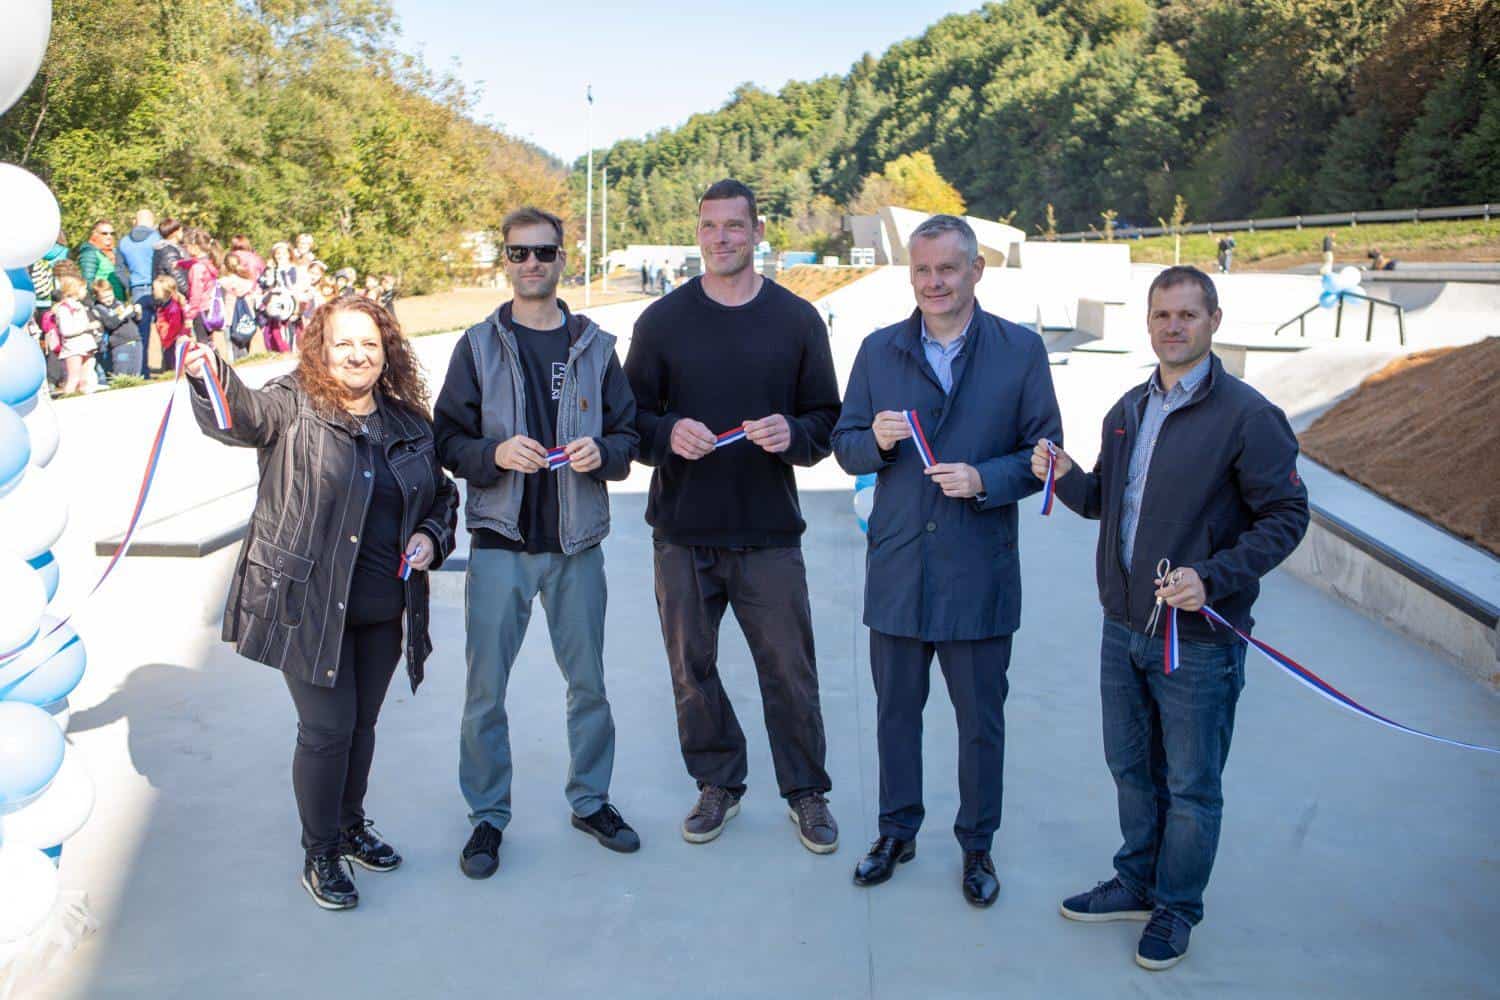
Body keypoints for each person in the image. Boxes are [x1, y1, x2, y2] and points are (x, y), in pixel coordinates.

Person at [1036, 265, 1309, 971]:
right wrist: (1065, 474)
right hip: (1123, 626)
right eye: (1162, 314)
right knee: (1130, 766)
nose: (1174, 326)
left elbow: (1287, 515)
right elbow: (1106, 501)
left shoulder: (1248, 417)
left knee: (1191, 784)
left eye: (1188, 314)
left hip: (1198, 639)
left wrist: (1212, 578)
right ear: (1149, 323)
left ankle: (1177, 906)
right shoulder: (1128, 408)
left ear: (1214, 320)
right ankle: (1137, 880)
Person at [182, 296, 459, 912]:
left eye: (370, 344)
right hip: (306, 607)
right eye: (344, 343)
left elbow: (442, 497)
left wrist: (430, 535)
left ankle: (351, 826)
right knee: (327, 731)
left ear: (387, 352)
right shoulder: (292, 405)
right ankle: (322, 850)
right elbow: (241, 416)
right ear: (320, 350)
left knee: (361, 726)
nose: (357, 355)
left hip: (384, 609)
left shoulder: (409, 423)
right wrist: (210, 375)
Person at [832, 214, 1062, 907]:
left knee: (980, 724)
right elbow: (844, 446)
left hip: (977, 572)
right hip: (899, 570)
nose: (934, 283)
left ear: (975, 271)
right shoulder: (879, 351)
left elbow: (1045, 455)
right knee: (895, 716)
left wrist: (985, 478)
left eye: (947, 269)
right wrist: (874, 441)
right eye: (922, 270)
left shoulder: (1020, 351)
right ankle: (895, 832)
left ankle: (977, 845)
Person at [623, 179, 842, 853]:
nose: (721, 238)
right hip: (683, 534)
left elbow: (827, 421)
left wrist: (793, 433)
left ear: (757, 231)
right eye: (709, 226)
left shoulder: (797, 321)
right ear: (698, 233)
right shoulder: (662, 322)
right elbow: (629, 422)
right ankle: (718, 781)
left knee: (790, 672)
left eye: (734, 226)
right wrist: (668, 434)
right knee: (691, 671)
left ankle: (806, 792)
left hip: (768, 533)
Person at [434, 206, 642, 878]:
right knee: (484, 693)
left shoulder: (597, 347)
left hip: (577, 544)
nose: (531, 264)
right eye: (519, 253)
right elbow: (447, 440)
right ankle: (487, 816)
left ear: (562, 260)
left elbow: (629, 437)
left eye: (543, 252)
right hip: (501, 542)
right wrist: (494, 455)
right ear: (505, 260)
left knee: (589, 686)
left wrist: (603, 454)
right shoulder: (477, 346)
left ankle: (591, 801)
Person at [117, 210, 160, 375]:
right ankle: (170, 365)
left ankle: (143, 370)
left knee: (142, 333)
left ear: (135, 221)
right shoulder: (156, 238)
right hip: (158, 288)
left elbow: (119, 269)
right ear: (152, 221)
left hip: (136, 290)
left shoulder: (124, 242)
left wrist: (129, 285)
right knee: (166, 326)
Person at [50, 273, 103, 395]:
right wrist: (88, 326)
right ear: (74, 290)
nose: (86, 291)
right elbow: (66, 330)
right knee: (73, 378)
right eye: (83, 288)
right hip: (73, 348)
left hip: (86, 346)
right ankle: (68, 398)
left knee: (86, 378)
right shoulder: (64, 308)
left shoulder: (79, 305)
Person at [88, 277, 143, 381]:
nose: (108, 299)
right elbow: (110, 324)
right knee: (121, 376)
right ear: (97, 297)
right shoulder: (99, 309)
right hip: (120, 344)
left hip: (135, 341)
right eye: (104, 298)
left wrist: (138, 313)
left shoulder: (118, 303)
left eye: (110, 295)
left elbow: (135, 320)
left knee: (136, 375)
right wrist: (124, 313)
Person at [77, 220, 127, 305]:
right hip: (102, 304)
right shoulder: (90, 253)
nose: (109, 236)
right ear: (95, 235)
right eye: (104, 233)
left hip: (118, 302)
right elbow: (88, 282)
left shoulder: (114, 252)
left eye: (112, 233)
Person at [220, 252, 260, 360]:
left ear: (225, 266)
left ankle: (236, 360)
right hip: (247, 316)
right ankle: (246, 358)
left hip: (229, 317)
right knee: (246, 338)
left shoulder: (223, 283)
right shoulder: (247, 282)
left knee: (232, 343)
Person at [151, 273, 188, 367]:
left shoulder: (173, 308)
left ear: (164, 291)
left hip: (173, 342)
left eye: (155, 289)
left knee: (173, 366)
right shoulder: (163, 306)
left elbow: (175, 327)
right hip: (167, 342)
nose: (153, 292)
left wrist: (167, 339)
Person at [152, 218, 186, 285]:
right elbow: (177, 277)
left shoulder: (162, 248)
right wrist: (186, 289)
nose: (182, 233)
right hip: (172, 290)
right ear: (175, 232)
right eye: (181, 231)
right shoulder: (169, 251)